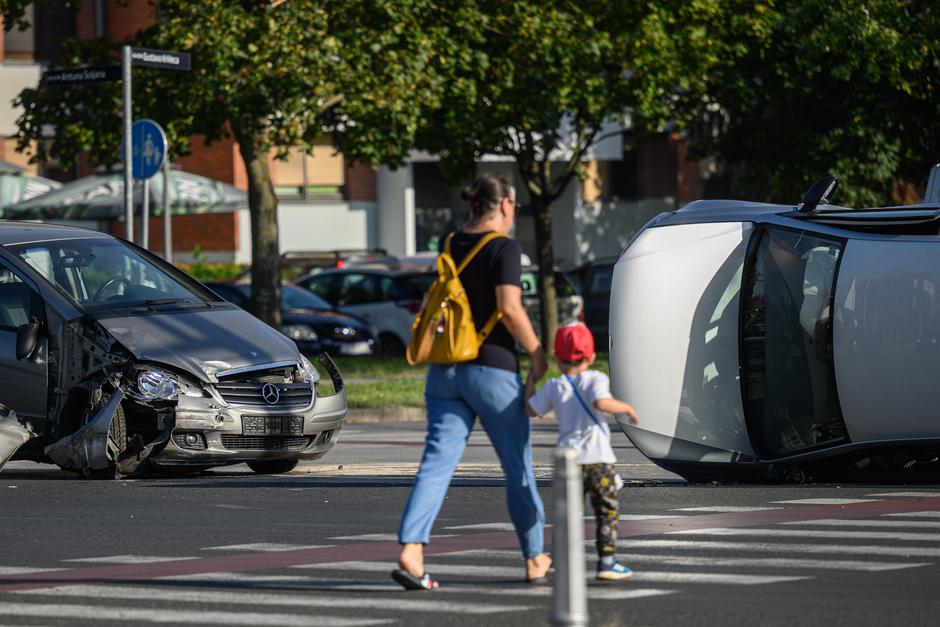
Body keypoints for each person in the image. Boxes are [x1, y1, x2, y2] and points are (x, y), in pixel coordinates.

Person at [392, 173, 551, 591]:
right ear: (503, 206)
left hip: (444, 371)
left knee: (436, 464)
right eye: (514, 205)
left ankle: (412, 549)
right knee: (518, 468)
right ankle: (535, 557)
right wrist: (537, 354)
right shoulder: (505, 247)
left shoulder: (449, 242)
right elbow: (510, 308)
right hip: (493, 370)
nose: (514, 213)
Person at [525, 322, 639, 581]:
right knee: (607, 511)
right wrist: (626, 408)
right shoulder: (596, 378)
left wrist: (531, 380)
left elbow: (531, 410)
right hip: (599, 461)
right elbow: (600, 402)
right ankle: (607, 562)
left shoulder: (554, 386)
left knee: (569, 514)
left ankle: (562, 559)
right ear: (591, 356)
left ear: (556, 358)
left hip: (568, 461)